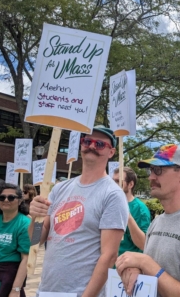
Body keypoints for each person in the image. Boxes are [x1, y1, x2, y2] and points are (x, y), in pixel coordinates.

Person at [28, 125, 128, 297]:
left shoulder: (112, 194)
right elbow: (36, 239)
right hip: (46, 291)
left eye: (100, 144)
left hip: (81, 293)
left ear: (111, 152)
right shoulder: (60, 189)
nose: (91, 146)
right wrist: (35, 218)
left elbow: (109, 256)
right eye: (87, 141)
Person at [116, 144, 180, 297]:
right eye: (151, 170)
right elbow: (157, 274)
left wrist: (144, 262)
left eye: (158, 170)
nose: (151, 177)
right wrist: (135, 269)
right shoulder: (157, 221)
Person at [0, 183, 30, 297]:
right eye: (2, 197)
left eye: (11, 197)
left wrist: (16, 289)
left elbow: (26, 259)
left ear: (19, 201)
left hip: (4, 276)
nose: (6, 200)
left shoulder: (25, 223)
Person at [113, 167, 151, 253]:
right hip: (109, 263)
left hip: (127, 264)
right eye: (112, 181)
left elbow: (143, 244)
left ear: (130, 184)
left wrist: (127, 215)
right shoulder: (109, 205)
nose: (113, 184)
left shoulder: (140, 209)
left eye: (118, 181)